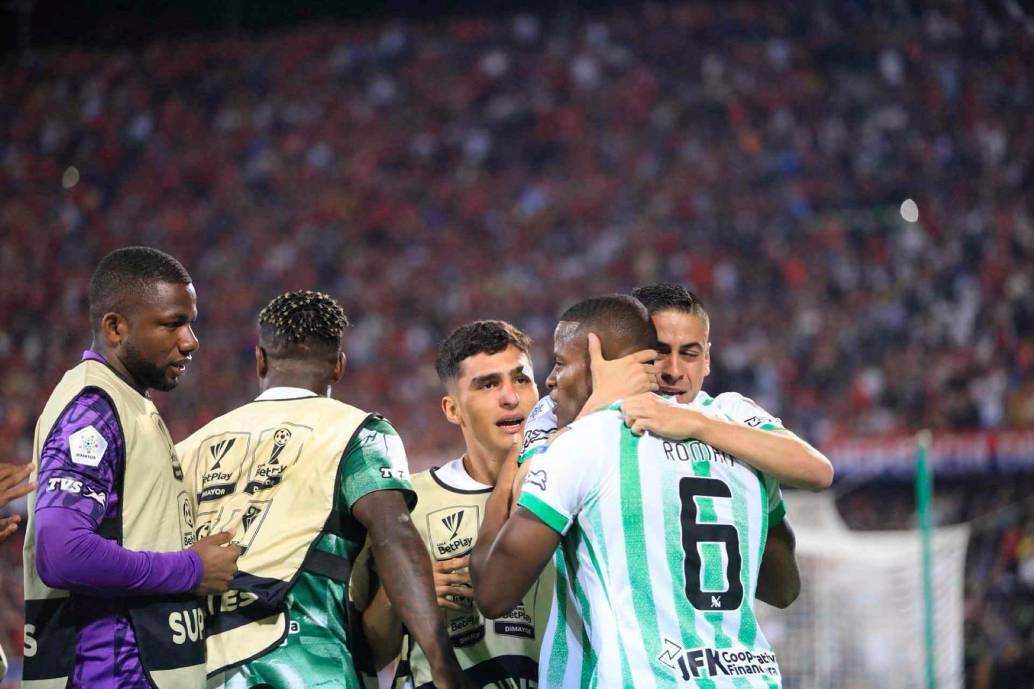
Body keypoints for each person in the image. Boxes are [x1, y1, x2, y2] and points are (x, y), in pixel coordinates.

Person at [472, 294, 794, 688]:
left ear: (599, 361)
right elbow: (784, 586)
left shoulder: (586, 442)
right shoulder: (746, 445)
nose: (551, 379)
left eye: (559, 362)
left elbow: (492, 593)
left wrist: (507, 480)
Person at [176, 290, 467, 689]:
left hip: (193, 668)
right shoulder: (356, 434)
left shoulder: (185, 451)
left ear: (259, 359)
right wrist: (442, 661)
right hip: (303, 666)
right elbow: (394, 536)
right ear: (339, 368)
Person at [22, 246, 240, 689]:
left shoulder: (128, 403)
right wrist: (192, 570)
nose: (191, 340)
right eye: (172, 323)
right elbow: (60, 552)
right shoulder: (92, 409)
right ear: (116, 327)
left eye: (190, 321)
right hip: (106, 671)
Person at [360, 320, 547, 689]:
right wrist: (403, 593)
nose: (510, 397)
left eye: (521, 379)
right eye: (489, 384)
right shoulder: (406, 504)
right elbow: (369, 655)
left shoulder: (577, 483)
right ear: (452, 409)